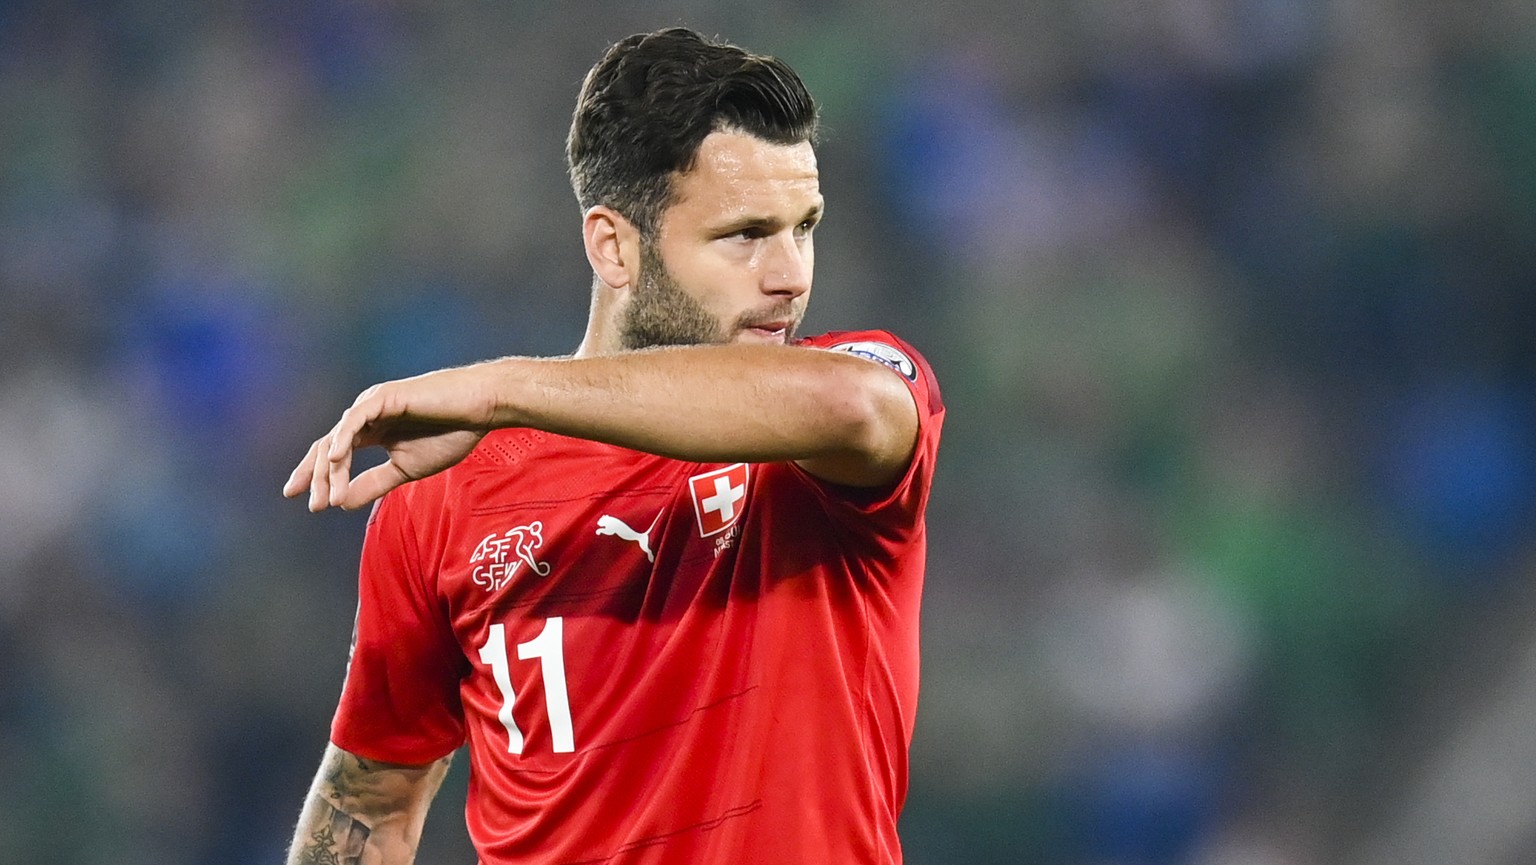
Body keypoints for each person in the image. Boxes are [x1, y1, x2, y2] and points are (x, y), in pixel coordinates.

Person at [281, 26, 944, 865]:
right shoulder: (438, 499)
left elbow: (855, 409)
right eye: (744, 235)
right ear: (614, 245)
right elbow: (371, 808)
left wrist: (504, 391)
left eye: (803, 226)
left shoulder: (833, 416)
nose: (791, 274)